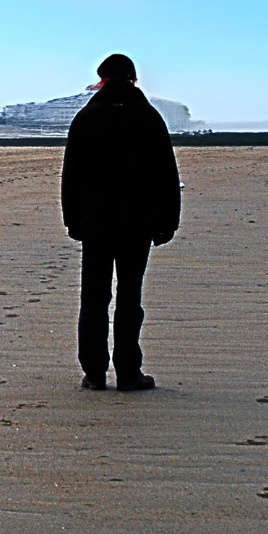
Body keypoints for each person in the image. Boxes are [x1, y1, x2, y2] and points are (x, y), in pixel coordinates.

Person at [60, 53, 181, 391]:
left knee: (94, 298)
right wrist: (168, 220)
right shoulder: (148, 117)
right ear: (133, 79)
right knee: (130, 296)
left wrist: (73, 220)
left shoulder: (87, 118)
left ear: (101, 80)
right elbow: (166, 174)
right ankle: (128, 372)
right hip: (137, 222)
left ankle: (95, 373)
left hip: (95, 223)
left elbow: (71, 176)